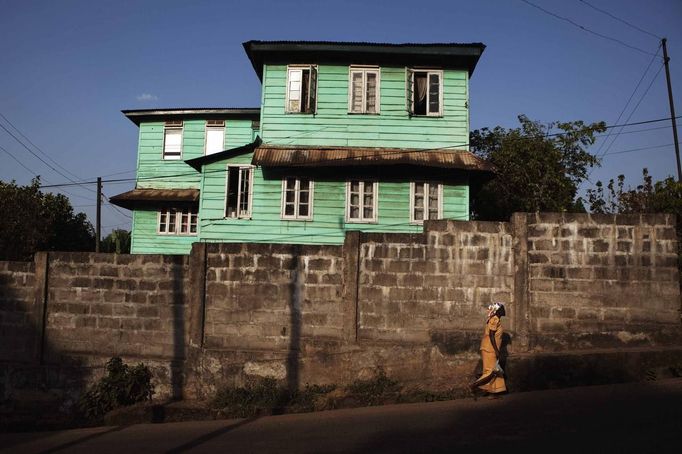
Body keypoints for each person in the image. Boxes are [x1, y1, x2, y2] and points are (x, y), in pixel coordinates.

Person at [470, 302, 507, 399]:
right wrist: (496, 350)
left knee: (495, 371)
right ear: (498, 310)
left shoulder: (496, 319)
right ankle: (474, 386)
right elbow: (491, 335)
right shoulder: (494, 319)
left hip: (489, 348)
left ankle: (493, 393)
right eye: (502, 308)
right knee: (491, 372)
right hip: (489, 349)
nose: (504, 310)